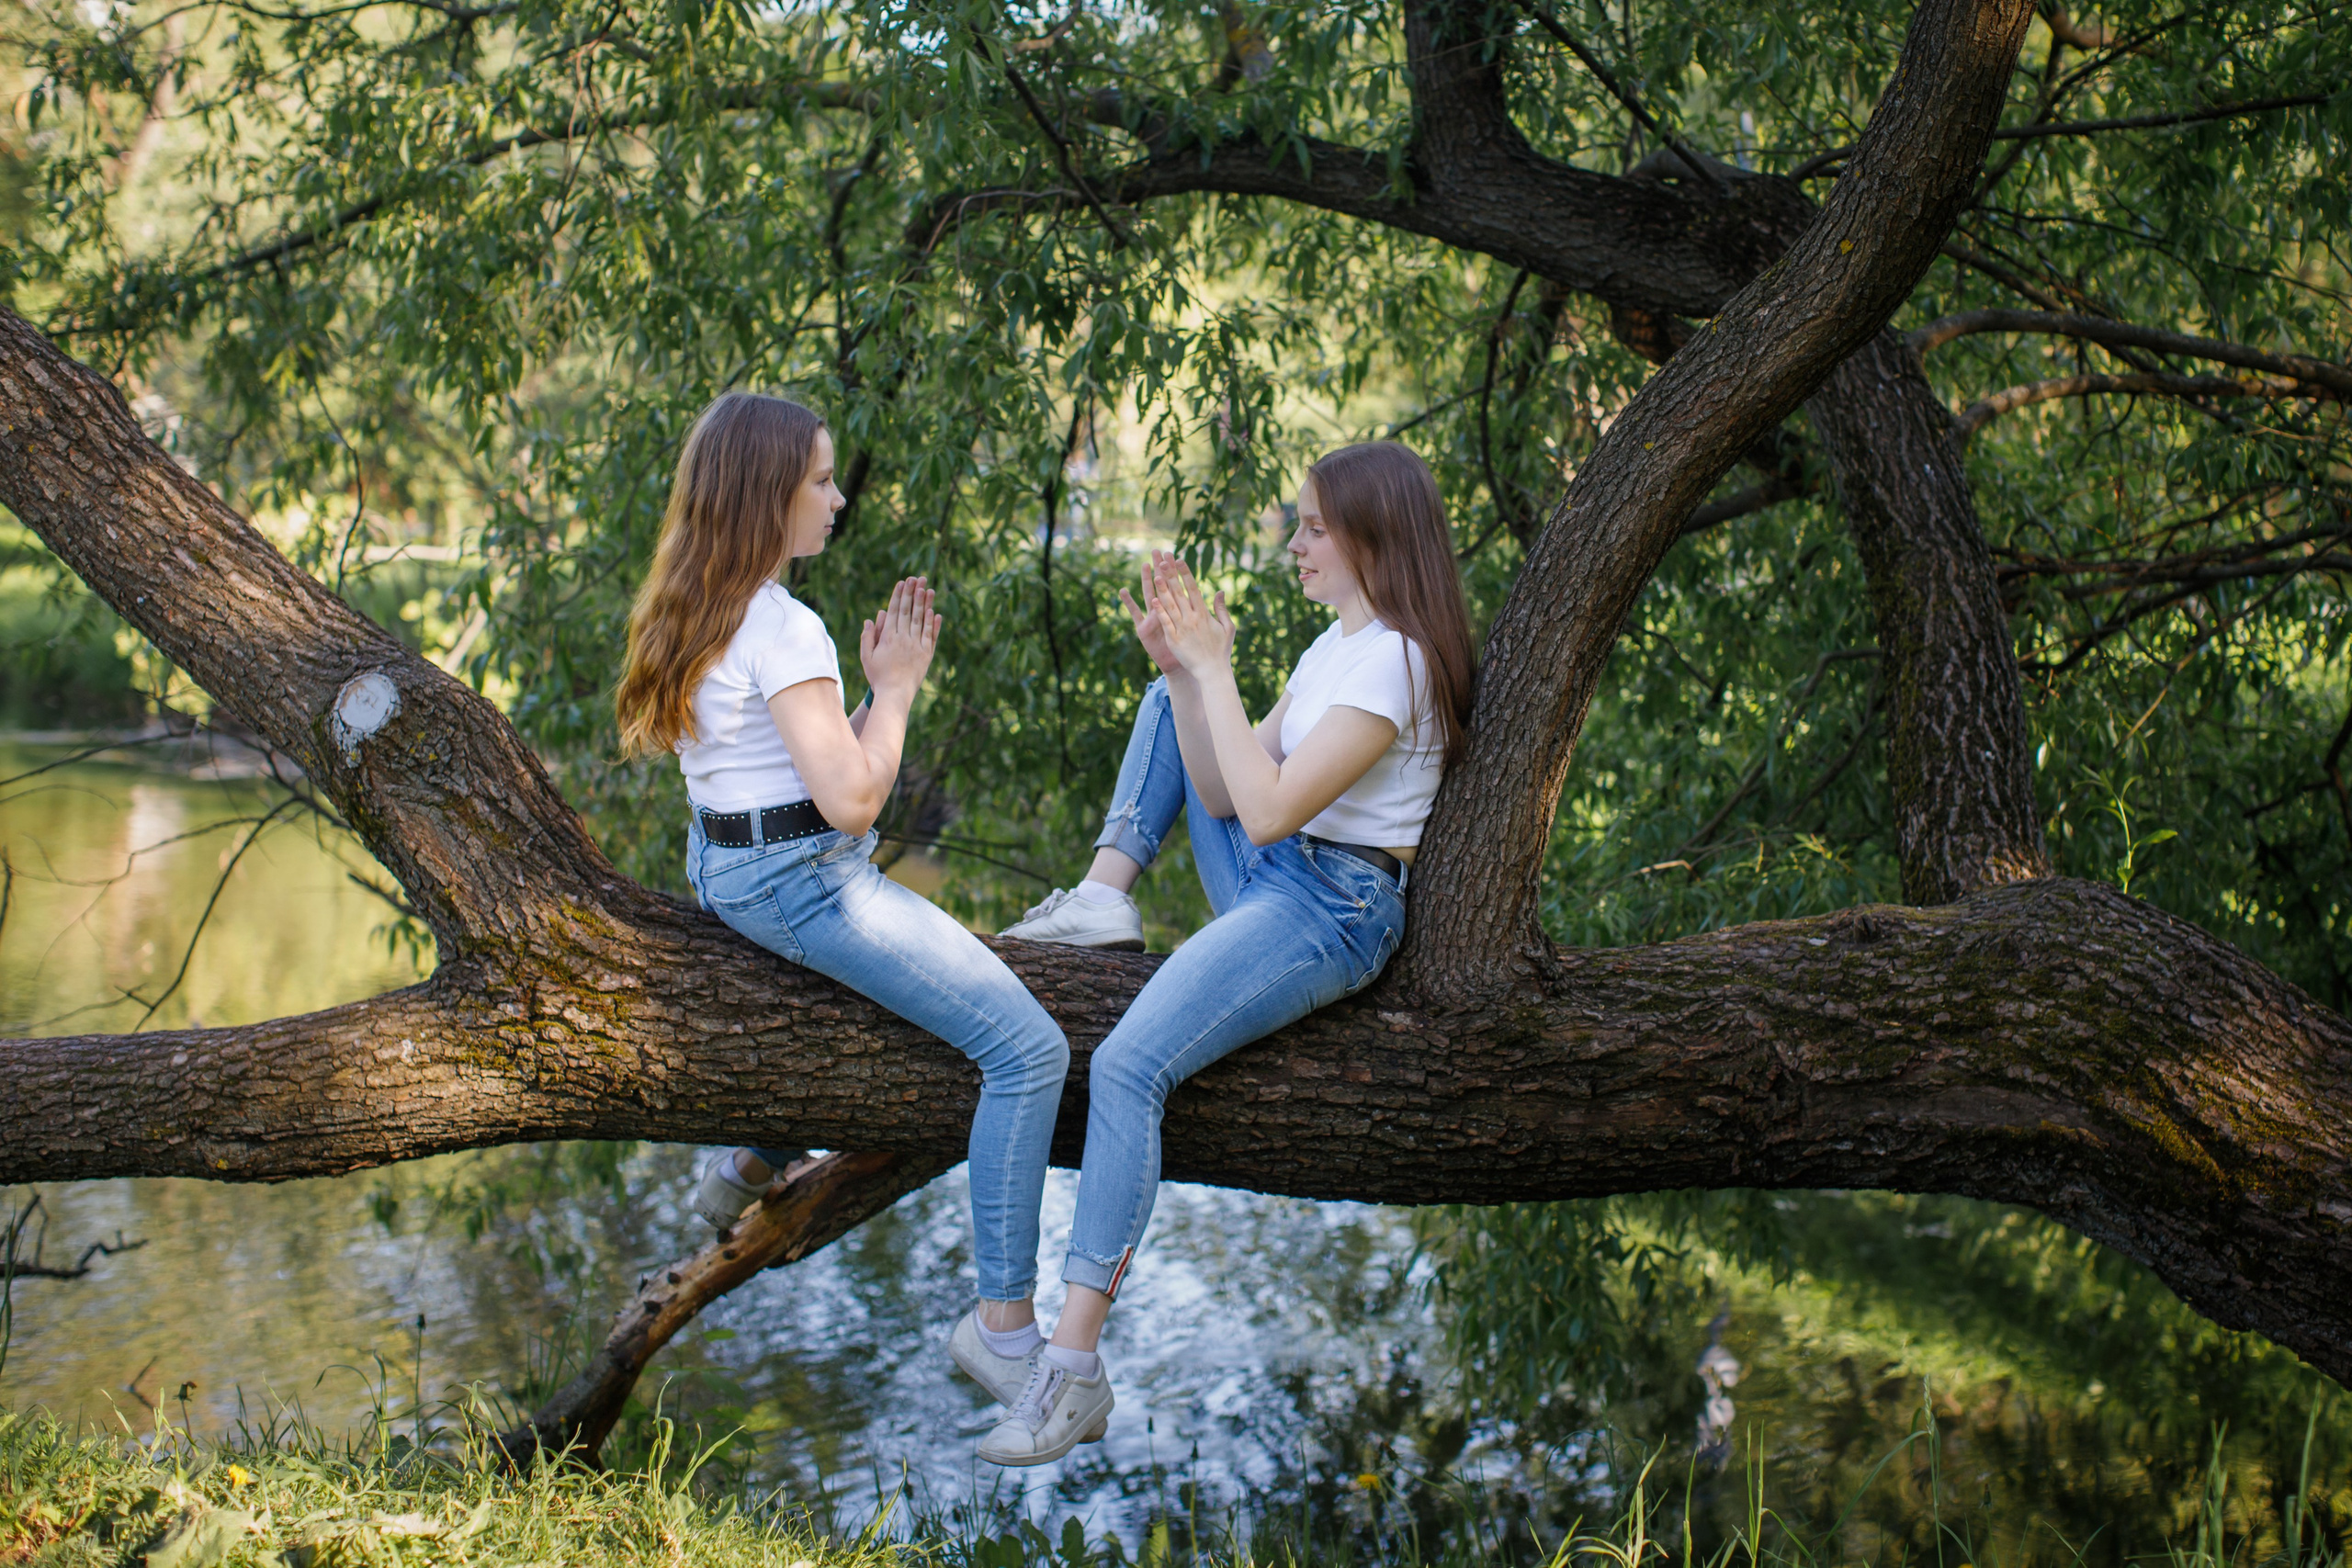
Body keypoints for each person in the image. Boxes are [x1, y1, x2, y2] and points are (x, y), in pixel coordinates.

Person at [988, 441, 1476, 1465]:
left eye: (1311, 525)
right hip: (1282, 872)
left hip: (1336, 906)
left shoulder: (1394, 657)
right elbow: (1218, 791)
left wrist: (1215, 666)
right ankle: (1102, 898)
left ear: (1372, 537)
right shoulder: (1332, 648)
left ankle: (1070, 1369)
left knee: (1127, 1066)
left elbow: (1261, 812)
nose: (1294, 541)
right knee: (1167, 700)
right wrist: (1184, 672)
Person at [613, 391, 1072, 1422]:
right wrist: (900, 689)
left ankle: (752, 1157)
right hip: (798, 884)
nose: (837, 496)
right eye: (821, 479)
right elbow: (856, 799)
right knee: (1030, 1051)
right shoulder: (783, 625)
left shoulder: (703, 599)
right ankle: (1004, 1332)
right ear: (768, 493)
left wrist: (862, 697)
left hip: (726, 868)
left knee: (891, 1004)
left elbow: (791, 769)